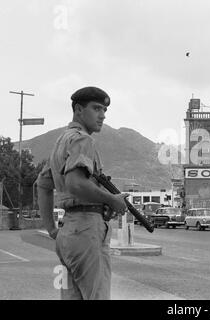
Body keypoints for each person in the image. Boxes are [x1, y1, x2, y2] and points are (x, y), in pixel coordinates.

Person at [36, 87, 128, 300]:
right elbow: (76, 183)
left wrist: (51, 229)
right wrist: (111, 200)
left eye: (104, 110)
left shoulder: (61, 142)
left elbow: (42, 184)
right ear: (78, 110)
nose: (102, 115)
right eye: (96, 108)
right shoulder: (83, 140)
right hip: (87, 230)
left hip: (68, 231)